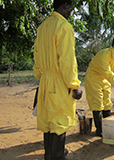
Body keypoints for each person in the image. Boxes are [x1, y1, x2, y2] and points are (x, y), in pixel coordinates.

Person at [33, 0, 82, 159]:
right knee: (60, 123)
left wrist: (41, 76)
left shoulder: (42, 27)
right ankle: (57, 156)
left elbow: (37, 55)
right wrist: (74, 85)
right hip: (59, 81)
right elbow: (67, 60)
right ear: (64, 6)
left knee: (49, 122)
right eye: (70, 9)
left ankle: (50, 155)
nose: (70, 13)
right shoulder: (64, 26)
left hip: (46, 80)